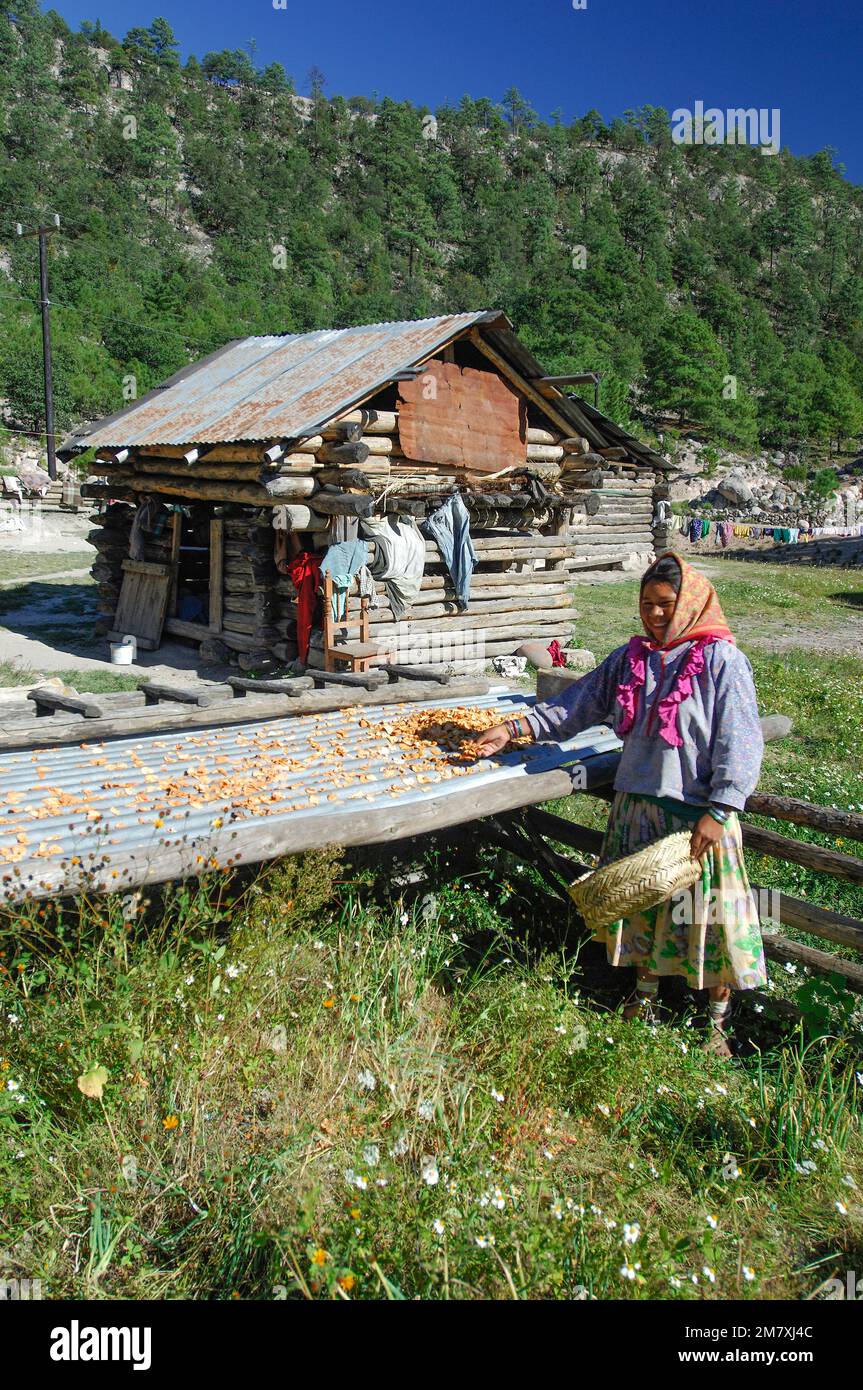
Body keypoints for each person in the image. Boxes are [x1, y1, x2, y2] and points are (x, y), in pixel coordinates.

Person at [475, 551, 767, 1057]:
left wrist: (721, 809)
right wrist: (514, 728)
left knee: (712, 920)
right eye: (647, 604)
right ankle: (645, 1000)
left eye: (666, 604)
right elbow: (574, 707)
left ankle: (716, 1023)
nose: (655, 614)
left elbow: (739, 740)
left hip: (698, 816)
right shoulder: (631, 660)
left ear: (692, 603)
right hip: (639, 807)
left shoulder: (721, 660)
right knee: (643, 910)